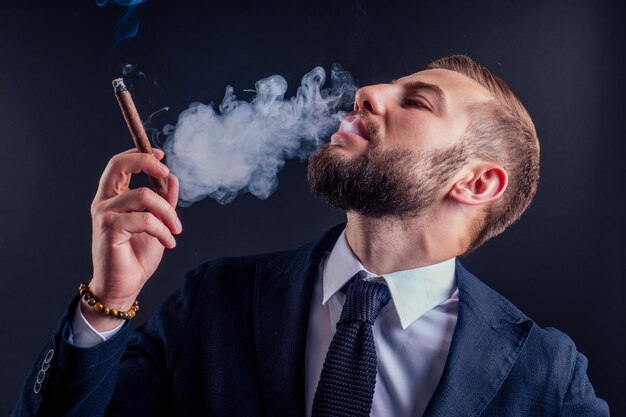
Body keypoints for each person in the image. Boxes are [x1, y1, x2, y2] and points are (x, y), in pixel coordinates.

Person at [12, 55, 609, 417]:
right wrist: (107, 303)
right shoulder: (213, 302)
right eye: (386, 87)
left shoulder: (546, 376)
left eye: (417, 102)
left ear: (477, 183)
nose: (369, 93)